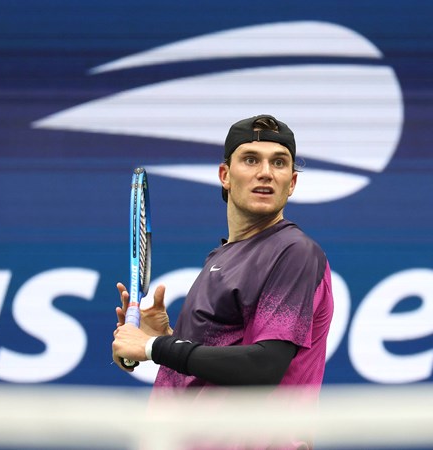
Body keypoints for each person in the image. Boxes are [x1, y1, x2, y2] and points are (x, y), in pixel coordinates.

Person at [112, 114, 334, 423]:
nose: (266, 173)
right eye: (251, 160)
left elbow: (264, 366)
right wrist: (167, 337)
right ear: (225, 175)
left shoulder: (293, 252)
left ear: (292, 183)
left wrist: (154, 347)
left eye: (279, 163)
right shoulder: (221, 257)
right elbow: (215, 369)